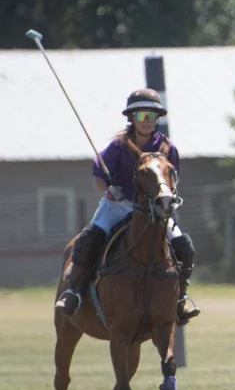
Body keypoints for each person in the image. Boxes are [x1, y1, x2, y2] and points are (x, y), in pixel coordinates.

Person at [54, 88, 200, 324]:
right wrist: (108, 191)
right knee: (89, 239)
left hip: (154, 209)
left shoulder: (167, 149)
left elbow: (173, 177)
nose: (146, 121)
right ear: (132, 118)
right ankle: (73, 292)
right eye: (141, 116)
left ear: (157, 119)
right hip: (118, 204)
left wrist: (166, 196)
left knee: (185, 247)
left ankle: (180, 300)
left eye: (151, 116)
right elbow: (98, 179)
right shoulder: (117, 146)